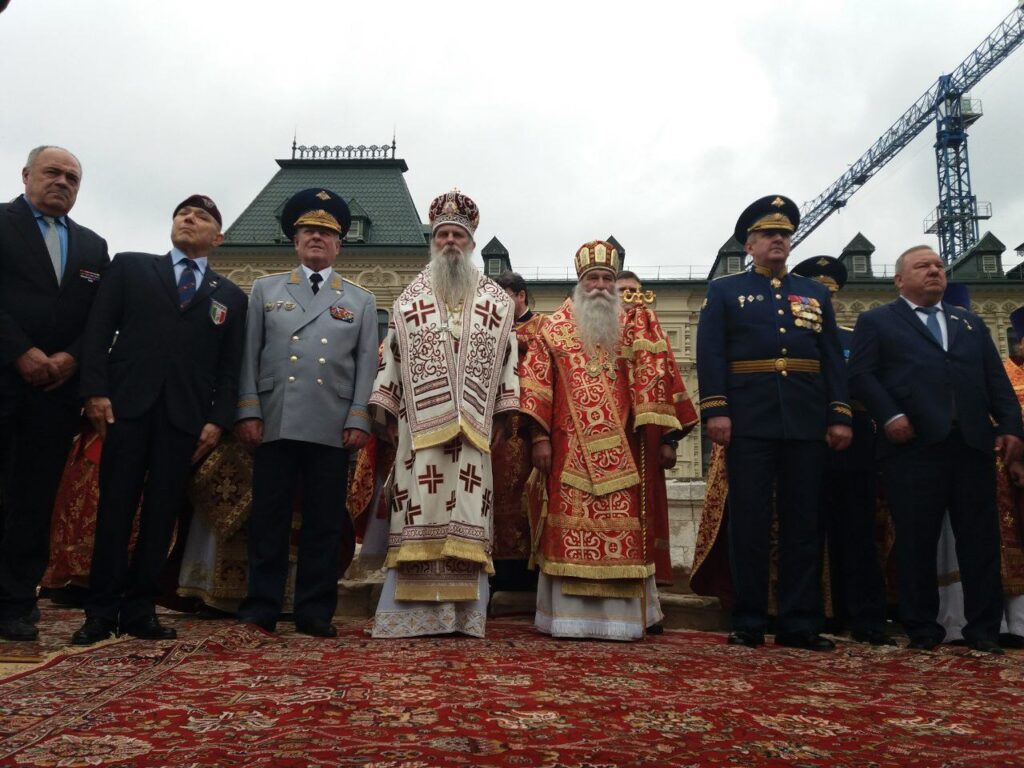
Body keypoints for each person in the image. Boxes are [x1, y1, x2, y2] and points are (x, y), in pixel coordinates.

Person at [71, 195, 247, 645]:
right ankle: (100, 609)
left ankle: (140, 608)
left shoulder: (228, 296)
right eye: (182, 214)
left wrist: (218, 420)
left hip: (184, 421)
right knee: (115, 511)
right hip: (126, 410)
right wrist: (94, 391)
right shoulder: (131, 267)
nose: (189, 219)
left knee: (161, 516)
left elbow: (231, 368)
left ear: (218, 237)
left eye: (202, 216)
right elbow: (97, 331)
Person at [848, 245, 1023, 654]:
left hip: (972, 445)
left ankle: (983, 629)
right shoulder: (876, 321)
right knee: (916, 540)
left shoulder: (970, 323)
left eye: (939, 266)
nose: (934, 272)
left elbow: (996, 380)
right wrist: (890, 416)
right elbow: (861, 376)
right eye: (923, 266)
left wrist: (1012, 427)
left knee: (980, 541)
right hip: (913, 447)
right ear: (899, 279)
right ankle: (922, 628)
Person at [519, 239, 697, 641]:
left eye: (606, 279)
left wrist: (666, 437)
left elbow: (662, 380)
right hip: (567, 449)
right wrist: (539, 437)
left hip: (628, 453)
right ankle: (567, 618)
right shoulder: (554, 328)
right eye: (592, 279)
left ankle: (622, 619)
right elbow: (535, 385)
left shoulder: (636, 326)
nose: (599, 286)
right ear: (580, 284)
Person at [696, 196, 852, 651]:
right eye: (768, 234)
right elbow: (711, 354)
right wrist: (717, 410)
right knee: (751, 519)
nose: (778, 240)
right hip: (750, 418)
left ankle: (799, 621)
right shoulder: (725, 291)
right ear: (750, 244)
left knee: (804, 521)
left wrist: (839, 414)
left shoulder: (815, 293)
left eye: (784, 234)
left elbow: (830, 360)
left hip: (805, 420)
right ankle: (748, 618)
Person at [368, 189, 519, 638]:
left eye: (458, 235)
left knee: (469, 515)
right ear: (433, 242)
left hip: (473, 429)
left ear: (471, 243)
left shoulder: (497, 300)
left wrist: (505, 410)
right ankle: (407, 616)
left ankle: (463, 616)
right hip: (420, 430)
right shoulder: (408, 298)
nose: (450, 242)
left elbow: (509, 359)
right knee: (418, 512)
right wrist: (387, 410)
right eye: (443, 235)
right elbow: (391, 355)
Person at [235, 189, 378, 637]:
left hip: (331, 423)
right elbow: (249, 355)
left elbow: (366, 366)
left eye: (327, 233)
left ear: (339, 245)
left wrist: (359, 416)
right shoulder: (265, 289)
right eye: (309, 231)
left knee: (323, 521)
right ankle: (262, 605)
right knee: (269, 518)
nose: (317, 238)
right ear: (295, 241)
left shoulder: (360, 300)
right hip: (276, 416)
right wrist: (248, 410)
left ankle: (314, 610)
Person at [0, 146, 109, 641]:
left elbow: (99, 319)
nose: (62, 182)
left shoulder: (92, 246)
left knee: (34, 498)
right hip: (4, 376)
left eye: (72, 177)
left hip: (55, 395)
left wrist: (73, 358)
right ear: (26, 175)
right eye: (53, 173)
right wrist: (19, 351)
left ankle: (17, 602)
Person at [790, 255, 891, 645]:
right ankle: (809, 615)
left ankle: (866, 616)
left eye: (829, 293)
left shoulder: (854, 336)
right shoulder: (791, 336)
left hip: (856, 442)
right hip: (803, 437)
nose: (823, 301)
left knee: (859, 532)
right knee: (804, 531)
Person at [491, 271, 544, 592]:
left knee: (527, 497)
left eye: (506, 296)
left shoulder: (542, 327)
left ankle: (528, 575)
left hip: (527, 426)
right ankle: (494, 571)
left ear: (521, 296)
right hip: (494, 423)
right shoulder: (488, 326)